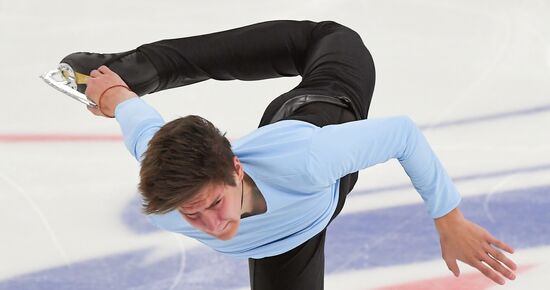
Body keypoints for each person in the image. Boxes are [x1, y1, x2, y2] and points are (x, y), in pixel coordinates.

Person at [62, 20, 517, 289]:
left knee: (333, 37)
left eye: (215, 204)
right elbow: (144, 131)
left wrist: (449, 219)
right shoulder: (166, 203)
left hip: (327, 102)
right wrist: (114, 94)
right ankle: (122, 73)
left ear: (235, 169)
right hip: (291, 237)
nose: (213, 225)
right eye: (192, 213)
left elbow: (401, 135)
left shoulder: (310, 159)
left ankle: (134, 65)